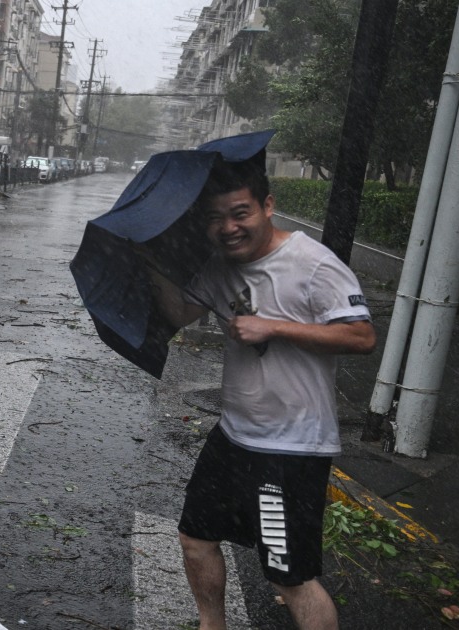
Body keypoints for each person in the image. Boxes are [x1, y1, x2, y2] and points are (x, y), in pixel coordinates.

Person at [145, 158, 376, 630]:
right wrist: (151, 264)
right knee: (195, 537)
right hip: (234, 435)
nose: (228, 228)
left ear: (267, 206)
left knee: (290, 576)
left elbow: (361, 337)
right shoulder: (220, 267)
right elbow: (180, 313)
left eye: (240, 213)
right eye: (215, 218)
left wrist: (274, 326)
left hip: (289, 448)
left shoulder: (312, 264)